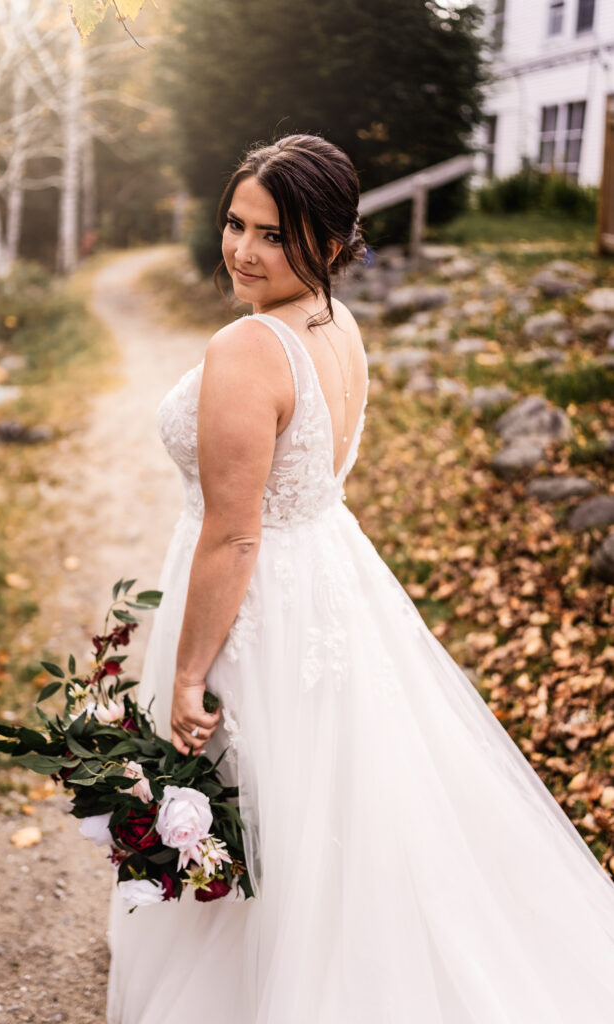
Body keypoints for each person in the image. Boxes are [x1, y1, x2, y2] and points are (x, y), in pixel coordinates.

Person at [106, 134, 614, 1023]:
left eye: (275, 233)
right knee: (326, 811)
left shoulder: (248, 347)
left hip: (258, 600)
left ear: (333, 244)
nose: (244, 250)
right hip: (330, 576)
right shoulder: (334, 324)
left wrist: (187, 674)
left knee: (246, 815)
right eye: (236, 224)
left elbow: (233, 536)